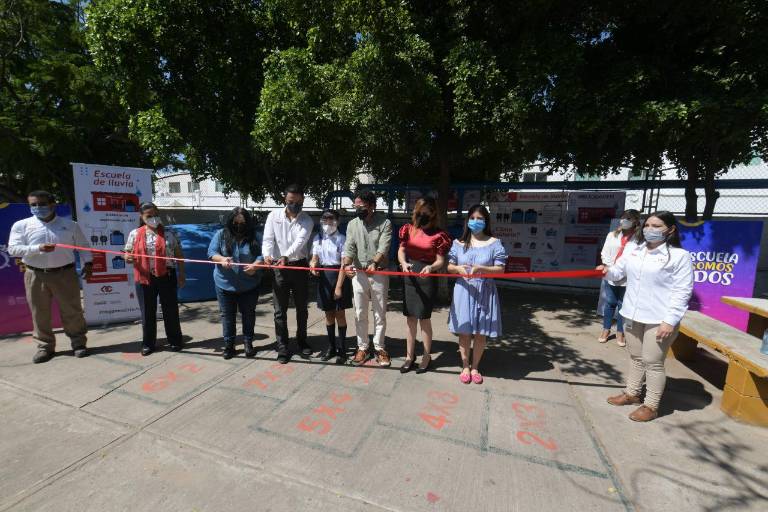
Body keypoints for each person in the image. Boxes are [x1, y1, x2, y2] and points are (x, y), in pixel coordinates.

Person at [599, 211, 693, 422]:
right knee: (636, 357)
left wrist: (670, 320)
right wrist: (605, 270)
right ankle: (632, 393)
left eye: (657, 226)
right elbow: (617, 273)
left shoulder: (679, 256)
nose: (650, 229)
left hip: (658, 319)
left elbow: (683, 291)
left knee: (653, 362)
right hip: (632, 313)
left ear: (670, 230)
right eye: (648, 225)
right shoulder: (635, 250)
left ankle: (651, 405)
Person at [8, 190, 94, 363]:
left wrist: (89, 264)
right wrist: (37, 248)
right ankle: (45, 347)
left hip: (65, 273)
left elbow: (83, 246)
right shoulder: (21, 225)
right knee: (39, 313)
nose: (38, 208)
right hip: (35, 274)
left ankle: (78, 343)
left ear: (52, 204)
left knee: (72, 311)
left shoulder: (70, 225)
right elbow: (13, 249)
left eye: (41, 204)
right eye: (33, 205)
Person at [446, 205, 506, 385]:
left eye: (480, 218)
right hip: (463, 291)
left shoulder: (494, 243)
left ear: (486, 221)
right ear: (467, 221)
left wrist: (482, 269)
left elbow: (501, 270)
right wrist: (457, 268)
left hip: (485, 292)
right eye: (472, 218)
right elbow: (449, 266)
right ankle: (465, 366)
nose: (475, 221)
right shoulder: (458, 243)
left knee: (480, 333)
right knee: (464, 332)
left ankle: (475, 367)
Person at [397, 197, 451, 374]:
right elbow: (401, 250)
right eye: (420, 210)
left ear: (434, 213)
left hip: (427, 278)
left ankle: (426, 356)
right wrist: (403, 263)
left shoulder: (439, 235)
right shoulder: (409, 229)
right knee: (410, 318)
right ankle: (409, 356)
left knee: (424, 319)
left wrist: (431, 267)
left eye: (427, 211)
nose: (423, 214)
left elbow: (440, 261)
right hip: (409, 276)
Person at [262, 183, 314, 363]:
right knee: (279, 311)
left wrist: (285, 255)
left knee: (302, 309)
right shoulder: (273, 216)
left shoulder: (307, 220)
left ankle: (302, 341)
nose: (295, 205)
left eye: (299, 202)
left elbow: (300, 243)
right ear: (285, 199)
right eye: (291, 201)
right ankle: (283, 347)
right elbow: (268, 239)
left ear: (303, 201)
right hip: (279, 269)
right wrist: (267, 255)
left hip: (299, 266)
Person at [124, 202, 185, 356]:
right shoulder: (134, 234)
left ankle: (175, 341)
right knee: (147, 312)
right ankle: (148, 344)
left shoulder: (170, 234)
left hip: (167, 276)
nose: (153, 219)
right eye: (149, 216)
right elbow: (127, 254)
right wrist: (128, 257)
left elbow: (179, 256)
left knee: (170, 310)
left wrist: (182, 275)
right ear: (141, 217)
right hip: (145, 277)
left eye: (155, 215)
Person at [342, 189, 393, 367]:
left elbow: (384, 246)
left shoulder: (385, 222)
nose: (358, 210)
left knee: (380, 313)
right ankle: (362, 347)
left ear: (372, 206)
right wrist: (347, 265)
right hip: (358, 273)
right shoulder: (352, 224)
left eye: (361, 207)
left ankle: (379, 347)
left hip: (379, 272)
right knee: (359, 312)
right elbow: (349, 248)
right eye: (355, 207)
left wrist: (375, 262)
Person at [208, 207, 264, 359]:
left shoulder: (256, 236)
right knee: (227, 315)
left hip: (249, 284)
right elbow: (211, 253)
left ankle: (248, 342)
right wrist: (222, 259)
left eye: (242, 222)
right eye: (236, 222)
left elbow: (264, 254)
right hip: (224, 284)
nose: (239, 225)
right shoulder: (221, 235)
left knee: (248, 314)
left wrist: (256, 265)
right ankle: (229, 344)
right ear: (231, 221)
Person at [309, 209, 352, 364]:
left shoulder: (342, 239)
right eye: (325, 220)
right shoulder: (318, 238)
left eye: (331, 220)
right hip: (324, 279)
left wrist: (339, 286)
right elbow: (314, 257)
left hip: (339, 277)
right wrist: (313, 264)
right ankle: (331, 347)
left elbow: (344, 264)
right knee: (328, 314)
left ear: (337, 222)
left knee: (340, 314)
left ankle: (342, 349)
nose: (328, 223)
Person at [598, 209, 641, 347]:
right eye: (623, 218)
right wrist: (607, 266)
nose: (624, 221)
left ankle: (621, 332)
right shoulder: (612, 235)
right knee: (610, 302)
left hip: (628, 277)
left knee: (623, 305)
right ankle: (606, 329)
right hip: (610, 272)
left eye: (628, 219)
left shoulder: (640, 238)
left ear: (635, 222)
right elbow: (605, 251)